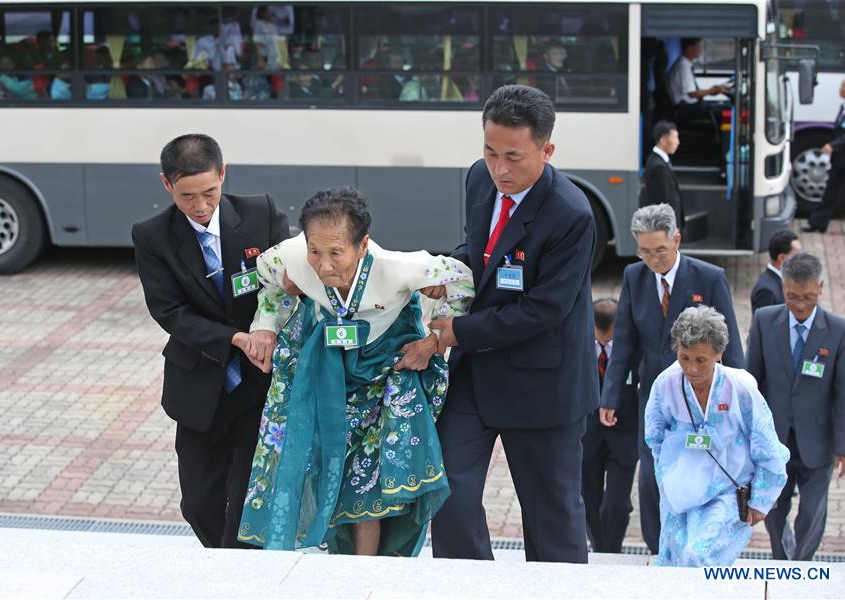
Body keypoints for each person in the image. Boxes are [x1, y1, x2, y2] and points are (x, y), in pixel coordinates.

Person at [237, 187, 474, 556]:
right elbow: (268, 283)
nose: (324, 264)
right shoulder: (288, 257)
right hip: (323, 364)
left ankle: (366, 569)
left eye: (336, 253)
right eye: (315, 251)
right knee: (303, 454)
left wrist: (433, 343)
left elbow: (461, 279)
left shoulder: (398, 267)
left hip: (384, 370)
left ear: (362, 245)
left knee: (367, 476)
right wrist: (265, 325)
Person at [429, 84, 598, 563]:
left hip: (544, 383)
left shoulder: (571, 214)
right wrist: (447, 276)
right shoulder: (478, 180)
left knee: (551, 518)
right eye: (489, 151)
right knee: (446, 488)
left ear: (547, 150)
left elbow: (545, 310)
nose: (499, 169)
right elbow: (478, 252)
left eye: (513, 157)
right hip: (477, 374)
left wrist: (457, 331)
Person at [131, 134, 290, 548]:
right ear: (166, 185)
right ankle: (221, 562)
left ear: (223, 173)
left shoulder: (261, 213)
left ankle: (233, 576)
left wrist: (266, 326)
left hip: (259, 384)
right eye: (187, 196)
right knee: (199, 504)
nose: (200, 206)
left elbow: (286, 284)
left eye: (209, 193)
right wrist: (233, 337)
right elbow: (169, 312)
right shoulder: (153, 235)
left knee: (245, 506)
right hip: (200, 384)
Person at [600, 202, 744, 555]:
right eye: (645, 251)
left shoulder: (709, 278)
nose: (654, 259)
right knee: (651, 478)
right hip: (654, 396)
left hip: (702, 398)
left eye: (661, 250)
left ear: (677, 240)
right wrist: (610, 395)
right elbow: (626, 343)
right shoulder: (634, 277)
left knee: (697, 474)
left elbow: (732, 344)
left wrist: (739, 398)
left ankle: (695, 549)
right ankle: (658, 550)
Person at [646, 306, 789, 567]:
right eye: (684, 357)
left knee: (698, 553)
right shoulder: (665, 384)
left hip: (727, 488)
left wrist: (762, 498)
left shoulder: (741, 389)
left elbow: (765, 444)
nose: (691, 369)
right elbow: (654, 437)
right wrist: (667, 478)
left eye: (701, 360)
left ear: (719, 354)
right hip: (681, 487)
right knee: (673, 556)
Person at [747, 252, 845, 561]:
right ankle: (783, 561)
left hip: (817, 440)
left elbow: (844, 393)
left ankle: (802, 562)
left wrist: (844, 446)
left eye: (808, 297)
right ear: (783, 288)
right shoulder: (765, 320)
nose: (800, 304)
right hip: (774, 439)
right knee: (775, 509)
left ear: (821, 288)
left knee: (812, 511)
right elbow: (752, 382)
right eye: (792, 296)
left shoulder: (840, 330)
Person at [581, 297, 639, 554]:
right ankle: (599, 548)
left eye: (609, 340)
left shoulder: (635, 349)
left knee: (617, 503)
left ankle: (611, 549)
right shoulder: (580, 346)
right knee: (589, 500)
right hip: (587, 436)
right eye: (600, 340)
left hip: (624, 435)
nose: (604, 344)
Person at [804, 77, 845, 234]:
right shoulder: (844, 108)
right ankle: (817, 223)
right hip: (839, 160)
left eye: (843, 86)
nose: (840, 89)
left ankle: (818, 223)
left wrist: (832, 146)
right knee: (830, 193)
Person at [639, 121, 683, 232]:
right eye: (675, 138)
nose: (678, 142)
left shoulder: (657, 160)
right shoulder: (659, 166)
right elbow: (664, 200)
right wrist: (672, 226)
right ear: (663, 140)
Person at [668, 38, 729, 110]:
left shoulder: (686, 63)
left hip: (689, 104)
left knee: (720, 106)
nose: (700, 50)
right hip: (684, 108)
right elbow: (692, 94)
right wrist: (712, 90)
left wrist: (713, 90)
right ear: (689, 48)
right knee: (722, 110)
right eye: (698, 46)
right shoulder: (683, 66)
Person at [750, 229, 801, 313]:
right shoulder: (766, 291)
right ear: (781, 257)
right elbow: (765, 323)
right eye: (796, 255)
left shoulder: (784, 278)